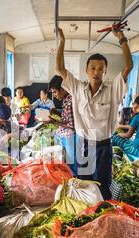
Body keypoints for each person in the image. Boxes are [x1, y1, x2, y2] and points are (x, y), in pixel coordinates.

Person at [56, 27, 133, 199]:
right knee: (84, 183)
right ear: (86, 70)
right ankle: (87, 216)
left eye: (100, 69)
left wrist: (121, 38)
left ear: (105, 72)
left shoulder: (112, 90)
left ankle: (102, 214)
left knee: (103, 185)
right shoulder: (77, 88)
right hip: (83, 144)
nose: (96, 72)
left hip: (104, 146)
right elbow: (60, 67)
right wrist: (62, 42)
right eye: (92, 68)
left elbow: (128, 66)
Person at [48, 75, 76, 174]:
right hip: (65, 136)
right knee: (67, 163)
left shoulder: (70, 103)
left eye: (55, 92)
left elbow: (72, 126)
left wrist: (54, 122)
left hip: (70, 137)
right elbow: (66, 118)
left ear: (63, 89)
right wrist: (56, 113)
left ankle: (74, 183)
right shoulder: (66, 99)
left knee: (71, 165)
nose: (54, 95)